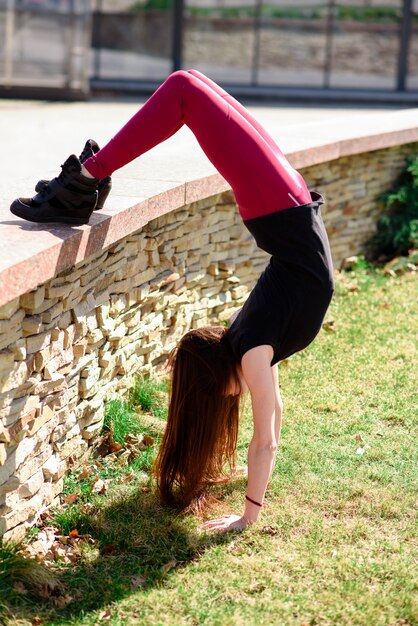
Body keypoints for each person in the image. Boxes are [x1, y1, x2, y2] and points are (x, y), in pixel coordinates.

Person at [10, 70, 334, 532]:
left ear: (217, 385)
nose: (234, 404)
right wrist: (248, 505)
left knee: (186, 88)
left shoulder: (253, 351)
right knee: (187, 88)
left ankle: (83, 182)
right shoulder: (251, 348)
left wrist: (246, 515)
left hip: (282, 207)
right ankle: (85, 179)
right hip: (283, 206)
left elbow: (267, 439)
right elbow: (271, 428)